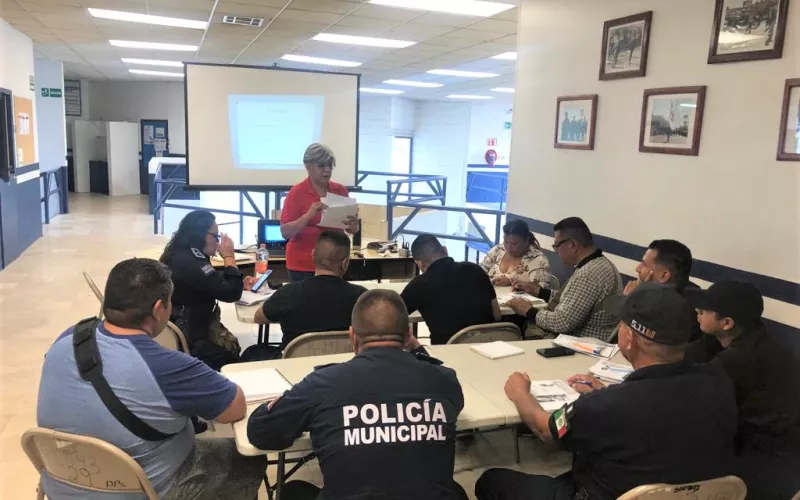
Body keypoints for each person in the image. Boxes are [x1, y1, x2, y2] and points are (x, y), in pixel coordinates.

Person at [476, 283, 737, 500]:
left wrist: (520, 393)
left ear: (629, 338)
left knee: (491, 481)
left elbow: (546, 430)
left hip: (599, 493)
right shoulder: (718, 380)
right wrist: (612, 392)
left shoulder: (604, 405)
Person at [37, 258, 265, 500]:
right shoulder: (166, 366)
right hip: (142, 491)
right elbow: (234, 408)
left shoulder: (70, 337)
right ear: (158, 309)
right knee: (248, 460)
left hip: (62, 482)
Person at [247, 289, 468, 500]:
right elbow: (452, 400)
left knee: (292, 491)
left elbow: (260, 431)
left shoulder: (323, 384)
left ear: (352, 336)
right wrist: (418, 350)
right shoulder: (444, 380)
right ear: (409, 334)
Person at [685, 280, 800, 499]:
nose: (697, 312)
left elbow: (695, 398)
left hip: (766, 462)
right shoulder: (753, 335)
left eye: (704, 311)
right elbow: (690, 356)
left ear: (726, 322)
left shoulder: (739, 360)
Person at [160, 210, 256, 371]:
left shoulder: (181, 252)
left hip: (190, 325)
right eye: (216, 237)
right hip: (191, 339)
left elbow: (208, 281)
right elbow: (231, 293)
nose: (218, 243)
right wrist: (229, 257)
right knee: (235, 361)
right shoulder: (190, 261)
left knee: (234, 347)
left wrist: (238, 282)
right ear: (200, 234)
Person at [507, 217, 622, 340]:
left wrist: (528, 310)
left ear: (572, 245)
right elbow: (572, 300)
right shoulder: (600, 263)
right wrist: (538, 291)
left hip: (580, 344)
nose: (556, 251)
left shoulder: (588, 274)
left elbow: (561, 323)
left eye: (557, 245)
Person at [254, 230, 367, 351]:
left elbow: (259, 318)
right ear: (345, 263)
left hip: (293, 362)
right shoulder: (362, 298)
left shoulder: (287, 293)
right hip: (344, 361)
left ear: (312, 255)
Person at [280, 143, 360, 282]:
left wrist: (354, 226)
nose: (327, 170)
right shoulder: (296, 193)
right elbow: (285, 232)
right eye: (321, 166)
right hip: (303, 265)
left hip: (335, 265)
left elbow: (351, 229)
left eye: (330, 166)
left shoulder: (340, 190)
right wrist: (307, 216)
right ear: (308, 167)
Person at [402, 234, 501, 344]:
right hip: (488, 347)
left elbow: (392, 316)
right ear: (445, 250)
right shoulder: (476, 269)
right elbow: (497, 314)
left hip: (446, 350)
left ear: (419, 263)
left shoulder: (418, 285)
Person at [622, 239, 702, 340]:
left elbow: (629, 340)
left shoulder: (671, 312)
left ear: (664, 275)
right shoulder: (687, 293)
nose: (638, 268)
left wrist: (631, 300)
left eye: (644, 264)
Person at [480, 219, 550, 290]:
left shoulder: (538, 259)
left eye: (514, 244)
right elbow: (480, 271)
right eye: (506, 241)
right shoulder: (499, 249)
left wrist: (511, 282)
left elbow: (541, 290)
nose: (508, 247)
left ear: (526, 240)